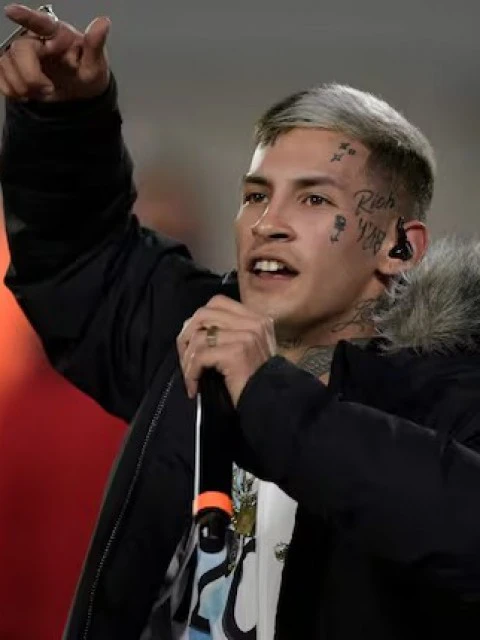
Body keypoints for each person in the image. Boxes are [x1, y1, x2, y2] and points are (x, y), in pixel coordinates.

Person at [1, 5, 480, 640]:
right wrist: (63, 118)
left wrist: (271, 398)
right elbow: (81, 260)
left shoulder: (451, 395)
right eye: (256, 195)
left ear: (399, 248)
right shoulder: (197, 332)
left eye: (313, 198)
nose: (267, 223)